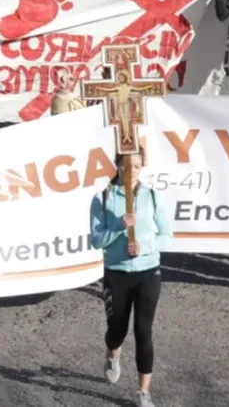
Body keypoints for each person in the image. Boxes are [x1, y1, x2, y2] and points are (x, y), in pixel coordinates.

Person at [90, 148, 171, 407]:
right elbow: (96, 241)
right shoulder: (102, 197)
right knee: (117, 330)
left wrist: (145, 247)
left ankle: (143, 392)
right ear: (118, 165)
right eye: (127, 165)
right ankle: (113, 353)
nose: (132, 171)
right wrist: (119, 225)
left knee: (143, 331)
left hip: (148, 271)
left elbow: (167, 235)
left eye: (137, 166)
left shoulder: (152, 195)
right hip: (117, 272)